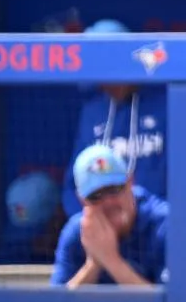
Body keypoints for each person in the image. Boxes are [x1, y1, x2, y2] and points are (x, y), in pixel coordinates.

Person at [60, 19, 167, 220]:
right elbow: (73, 184)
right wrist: (88, 219)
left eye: (112, 70)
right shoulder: (94, 110)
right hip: (103, 224)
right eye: (101, 73)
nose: (106, 82)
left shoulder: (166, 104)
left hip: (156, 226)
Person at [51, 143, 169, 287]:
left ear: (130, 182)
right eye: (96, 195)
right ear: (82, 200)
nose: (108, 202)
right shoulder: (78, 233)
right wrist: (93, 265)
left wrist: (111, 261)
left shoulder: (164, 224)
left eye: (113, 189)